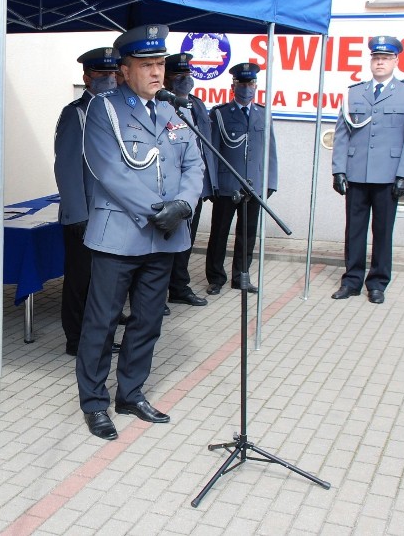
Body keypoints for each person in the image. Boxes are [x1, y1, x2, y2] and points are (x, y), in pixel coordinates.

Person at [77, 24, 204, 440]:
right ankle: (94, 402)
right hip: (120, 235)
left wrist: (183, 205)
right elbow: (109, 170)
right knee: (103, 321)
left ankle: (130, 392)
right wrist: (158, 212)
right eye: (147, 65)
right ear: (125, 69)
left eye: (160, 63)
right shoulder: (105, 108)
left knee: (148, 321)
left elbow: (193, 165)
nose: (156, 72)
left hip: (165, 237)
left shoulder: (172, 109)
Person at [330, 36, 404, 304]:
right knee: (354, 230)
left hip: (388, 176)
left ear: (396, 61)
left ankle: (378, 283)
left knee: (383, 231)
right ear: (371, 61)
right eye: (376, 57)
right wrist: (339, 169)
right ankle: (351, 281)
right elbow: (342, 134)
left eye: (385, 58)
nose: (380, 62)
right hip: (357, 173)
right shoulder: (354, 92)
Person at [54, 47, 119, 356]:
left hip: (112, 214)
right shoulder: (76, 114)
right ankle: (76, 340)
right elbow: (66, 167)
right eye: (102, 74)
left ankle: (100, 338)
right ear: (87, 78)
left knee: (104, 283)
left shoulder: (117, 111)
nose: (109, 79)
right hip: (85, 215)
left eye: (112, 74)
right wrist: (78, 214)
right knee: (81, 281)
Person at [205, 62, 278, 295]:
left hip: (253, 186)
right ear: (233, 86)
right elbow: (212, 150)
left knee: (247, 234)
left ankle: (241, 276)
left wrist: (270, 183)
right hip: (227, 185)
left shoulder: (264, 113)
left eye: (250, 84)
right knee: (219, 233)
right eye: (242, 84)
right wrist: (212, 183)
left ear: (255, 86)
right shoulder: (220, 114)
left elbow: (271, 152)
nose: (246, 88)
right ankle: (216, 278)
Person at [163, 52, 217, 308]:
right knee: (164, 242)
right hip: (169, 187)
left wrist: (209, 184)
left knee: (187, 240)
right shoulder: (161, 104)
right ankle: (156, 293)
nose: (185, 80)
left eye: (188, 75)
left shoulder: (197, 105)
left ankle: (179, 287)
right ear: (166, 78)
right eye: (179, 75)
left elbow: (205, 146)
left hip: (193, 187)